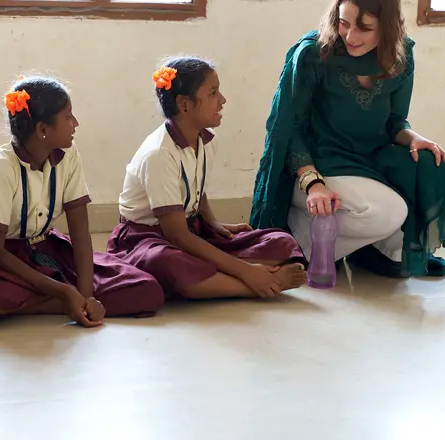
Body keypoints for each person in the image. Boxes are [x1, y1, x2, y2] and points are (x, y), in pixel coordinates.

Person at [250, 0, 445, 278]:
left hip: (366, 165)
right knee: (393, 213)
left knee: (424, 166)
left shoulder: (400, 56)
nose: (350, 36)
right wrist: (312, 183)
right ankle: (299, 240)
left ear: (387, 26)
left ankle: (352, 246)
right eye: (343, 23)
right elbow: (288, 129)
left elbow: (394, 121)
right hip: (314, 168)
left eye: (365, 27)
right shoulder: (314, 55)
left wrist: (412, 137)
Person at [0, 76, 165, 326]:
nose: (75, 123)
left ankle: (58, 303)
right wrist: (65, 292)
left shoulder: (68, 155)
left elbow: (80, 231)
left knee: (147, 290)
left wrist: (86, 295)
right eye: (68, 117)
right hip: (6, 260)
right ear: (42, 130)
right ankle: (62, 302)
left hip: (46, 249)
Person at [108, 59, 306, 300]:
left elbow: (196, 190)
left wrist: (214, 223)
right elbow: (177, 236)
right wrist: (247, 272)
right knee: (170, 263)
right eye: (213, 93)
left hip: (191, 230)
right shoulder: (159, 154)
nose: (222, 100)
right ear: (184, 104)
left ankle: (219, 277)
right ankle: (258, 283)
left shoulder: (206, 140)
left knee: (281, 243)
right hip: (147, 239)